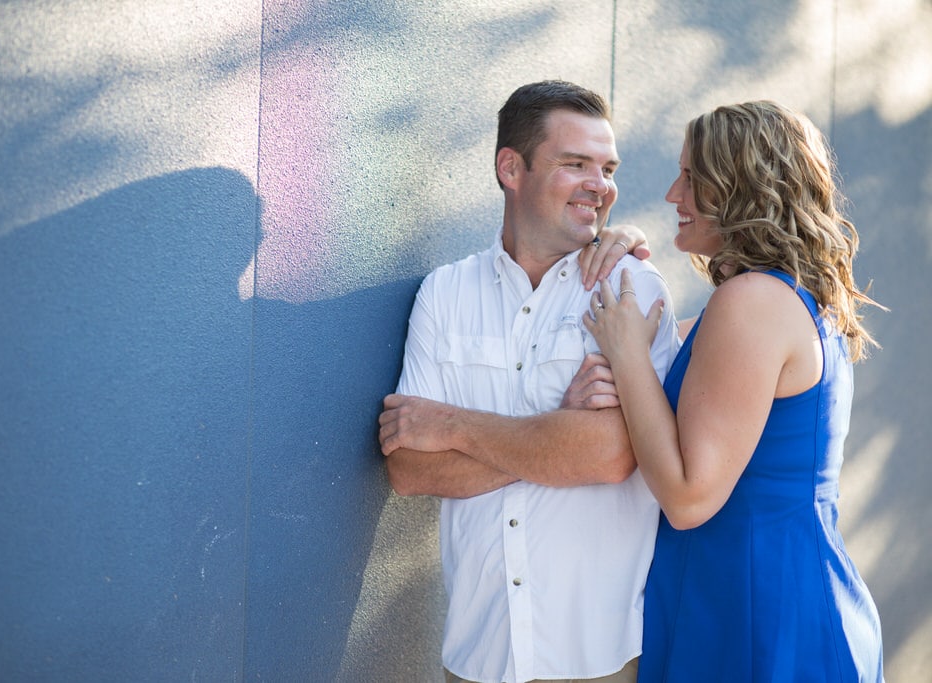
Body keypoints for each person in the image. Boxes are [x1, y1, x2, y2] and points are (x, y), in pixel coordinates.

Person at [378, 80, 681, 683]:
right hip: (478, 654)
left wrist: (451, 427)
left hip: (596, 656)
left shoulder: (630, 292)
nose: (601, 185)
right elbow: (411, 469)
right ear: (510, 168)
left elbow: (613, 454)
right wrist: (558, 435)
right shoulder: (445, 294)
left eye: (608, 167)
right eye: (576, 164)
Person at [583, 101, 885, 682]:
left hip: (757, 608)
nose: (673, 194)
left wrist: (626, 359)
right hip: (756, 589)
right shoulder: (780, 298)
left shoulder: (751, 303)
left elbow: (690, 498)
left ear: (743, 188)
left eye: (692, 178)